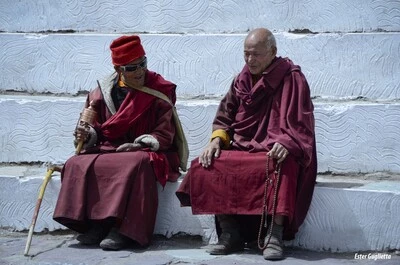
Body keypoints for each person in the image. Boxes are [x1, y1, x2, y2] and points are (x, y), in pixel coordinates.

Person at [176, 28, 317, 260]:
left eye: (257, 55)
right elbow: (225, 116)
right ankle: (230, 233)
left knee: (284, 164)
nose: (250, 60)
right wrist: (216, 140)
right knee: (208, 163)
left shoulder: (291, 78)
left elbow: (301, 121)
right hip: (242, 145)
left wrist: (287, 141)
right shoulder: (241, 80)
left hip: (274, 148)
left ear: (273, 52)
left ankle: (274, 234)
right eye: (246, 54)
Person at [53, 35, 184, 251]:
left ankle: (122, 229)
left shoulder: (159, 89)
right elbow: (95, 127)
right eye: (132, 68)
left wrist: (140, 143)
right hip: (109, 147)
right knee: (76, 163)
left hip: (146, 149)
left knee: (136, 163)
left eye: (143, 63)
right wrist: (86, 134)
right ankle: (96, 224)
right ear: (119, 69)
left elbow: (164, 132)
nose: (141, 71)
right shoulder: (100, 93)